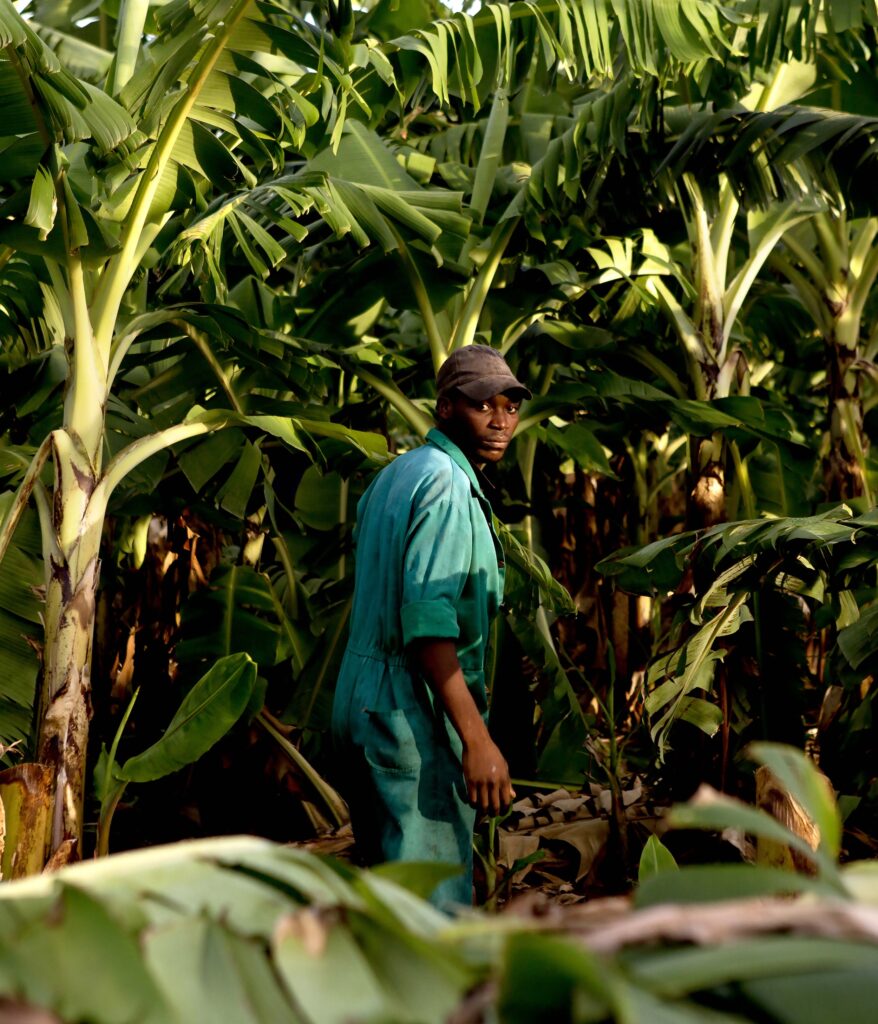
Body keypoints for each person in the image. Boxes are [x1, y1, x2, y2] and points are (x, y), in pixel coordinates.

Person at [331, 345, 532, 907]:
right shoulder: (445, 484)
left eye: (511, 406)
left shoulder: (398, 473)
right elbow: (427, 627)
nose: (500, 421)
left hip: (360, 701)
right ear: (445, 408)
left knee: (393, 900)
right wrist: (477, 740)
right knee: (431, 911)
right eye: (482, 406)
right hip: (409, 712)